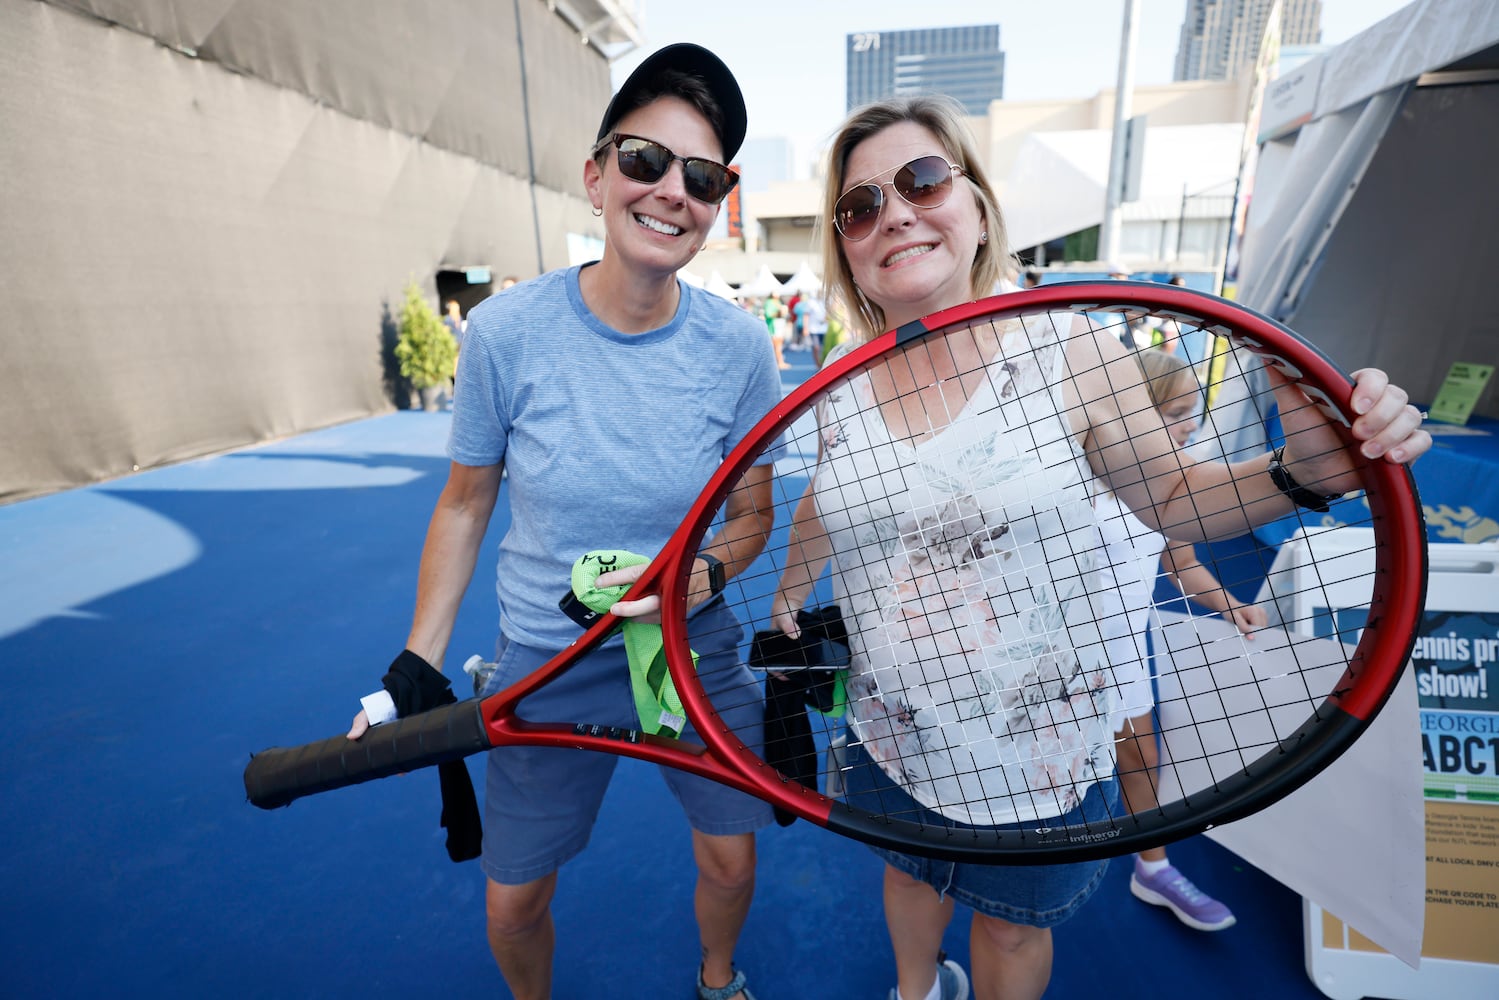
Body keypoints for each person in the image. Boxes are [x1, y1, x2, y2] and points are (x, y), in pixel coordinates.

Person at [769, 95, 1429, 1000]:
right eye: (860, 205)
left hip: (1035, 754)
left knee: (1008, 930)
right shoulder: (841, 385)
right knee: (909, 876)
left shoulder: (1067, 349)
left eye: (922, 180)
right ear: (844, 245)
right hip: (894, 731)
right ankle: (915, 992)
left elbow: (1170, 496)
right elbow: (829, 499)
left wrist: (1297, 475)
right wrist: (777, 588)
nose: (894, 214)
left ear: (977, 205)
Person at [345, 44, 779, 1000]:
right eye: (644, 161)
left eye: (700, 178)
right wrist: (420, 659)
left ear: (716, 205)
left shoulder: (740, 348)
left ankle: (717, 979)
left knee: (733, 865)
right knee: (511, 905)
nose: (670, 192)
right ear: (595, 174)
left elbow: (753, 511)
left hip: (688, 653)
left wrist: (697, 579)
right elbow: (465, 501)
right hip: (545, 661)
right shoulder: (506, 333)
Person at [1096, 348, 1269, 934]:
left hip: (1118, 651)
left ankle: (1153, 867)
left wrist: (1231, 604)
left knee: (1141, 757)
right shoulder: (1070, 476)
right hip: (1043, 657)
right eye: (1174, 413)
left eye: (1192, 412)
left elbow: (1182, 564)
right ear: (1130, 412)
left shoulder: (1175, 483)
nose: (1189, 426)